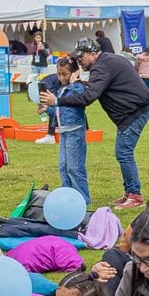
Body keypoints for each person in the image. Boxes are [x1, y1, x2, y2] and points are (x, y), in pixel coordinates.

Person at [40, 36, 149, 209]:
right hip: (132, 111)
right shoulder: (105, 63)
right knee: (123, 152)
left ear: (93, 54)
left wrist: (57, 101)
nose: (80, 61)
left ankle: (135, 195)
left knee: (123, 152)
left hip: (135, 112)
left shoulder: (101, 66)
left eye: (81, 57)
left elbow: (89, 96)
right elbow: (96, 87)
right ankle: (130, 193)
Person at [48, 58, 90, 203]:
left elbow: (78, 99)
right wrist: (47, 109)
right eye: (59, 74)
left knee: (75, 168)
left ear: (74, 73)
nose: (61, 77)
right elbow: (60, 110)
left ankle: (82, 199)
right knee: (63, 166)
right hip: (65, 132)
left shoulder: (77, 87)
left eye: (64, 74)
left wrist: (73, 82)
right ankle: (67, 196)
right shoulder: (62, 90)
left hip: (75, 132)